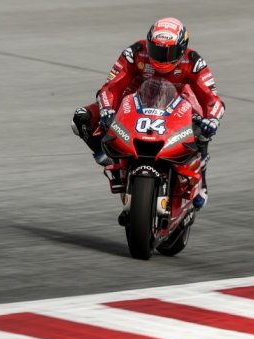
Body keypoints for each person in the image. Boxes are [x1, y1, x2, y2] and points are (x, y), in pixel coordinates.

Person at [71, 17, 225, 208]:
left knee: (203, 125)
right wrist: (107, 110)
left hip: (179, 101)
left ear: (182, 49)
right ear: (149, 43)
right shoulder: (134, 53)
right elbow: (111, 87)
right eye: (157, 50)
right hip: (135, 99)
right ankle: (109, 158)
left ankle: (201, 172)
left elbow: (212, 98)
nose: (162, 58)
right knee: (81, 118)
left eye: (169, 52)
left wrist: (212, 119)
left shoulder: (194, 62)